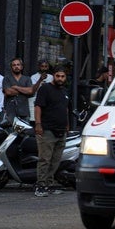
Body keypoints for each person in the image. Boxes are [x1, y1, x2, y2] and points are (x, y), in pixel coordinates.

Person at [33, 66, 69, 197]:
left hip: (61, 131)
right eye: (58, 76)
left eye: (62, 76)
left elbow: (65, 110)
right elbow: (38, 106)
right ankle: (40, 186)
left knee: (55, 160)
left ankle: (49, 184)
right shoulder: (45, 89)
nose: (60, 78)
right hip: (47, 130)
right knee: (45, 159)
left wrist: (67, 125)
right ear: (53, 76)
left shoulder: (64, 91)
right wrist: (38, 124)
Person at [2, 58, 42, 123]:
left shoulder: (27, 79)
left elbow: (31, 91)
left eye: (18, 65)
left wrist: (16, 87)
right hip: (11, 112)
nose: (16, 66)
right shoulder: (7, 78)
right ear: (11, 67)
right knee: (10, 132)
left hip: (24, 112)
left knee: (25, 132)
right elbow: (8, 92)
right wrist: (25, 90)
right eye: (14, 65)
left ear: (21, 66)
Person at [28, 59, 53, 127]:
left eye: (46, 66)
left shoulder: (51, 77)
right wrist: (40, 79)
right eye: (42, 66)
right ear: (39, 67)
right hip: (36, 101)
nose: (44, 68)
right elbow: (33, 90)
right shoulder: (33, 77)